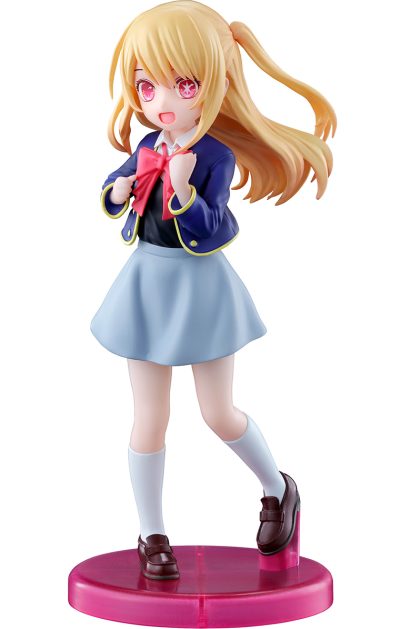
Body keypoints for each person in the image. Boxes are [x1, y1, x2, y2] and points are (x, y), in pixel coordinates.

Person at [91, 0, 336, 580]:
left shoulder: (215, 155)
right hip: (146, 284)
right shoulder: (148, 145)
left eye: (183, 84)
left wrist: (184, 194)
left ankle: (278, 489)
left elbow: (219, 225)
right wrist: (118, 190)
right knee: (148, 417)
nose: (162, 101)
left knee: (218, 412)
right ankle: (152, 535)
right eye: (146, 85)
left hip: (200, 287)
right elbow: (115, 187)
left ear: (215, 82)